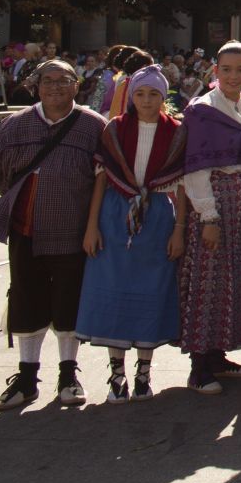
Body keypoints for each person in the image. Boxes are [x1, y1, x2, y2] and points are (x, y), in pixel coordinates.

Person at [0, 60, 108, 411]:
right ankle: (26, 379)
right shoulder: (15, 125)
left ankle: (68, 375)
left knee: (68, 301)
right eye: (48, 81)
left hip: (73, 233)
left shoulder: (92, 126)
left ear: (76, 86)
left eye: (64, 80)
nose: (56, 87)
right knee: (25, 298)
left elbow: (102, 176)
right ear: (36, 87)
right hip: (25, 230)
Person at [77, 65, 186, 403]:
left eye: (154, 94)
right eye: (140, 93)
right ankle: (116, 373)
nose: (147, 100)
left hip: (156, 219)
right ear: (131, 95)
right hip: (115, 214)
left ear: (164, 97)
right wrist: (92, 225)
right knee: (114, 293)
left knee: (151, 293)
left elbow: (182, 187)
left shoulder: (177, 133)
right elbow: (101, 179)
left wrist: (179, 230)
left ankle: (144, 371)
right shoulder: (115, 130)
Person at [179, 43, 241, 393]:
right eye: (226, 69)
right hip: (214, 198)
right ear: (215, 71)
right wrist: (208, 216)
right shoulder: (202, 110)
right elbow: (196, 169)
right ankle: (199, 365)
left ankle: (217, 354)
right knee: (208, 278)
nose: (233, 76)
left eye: (240, 69)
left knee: (236, 279)